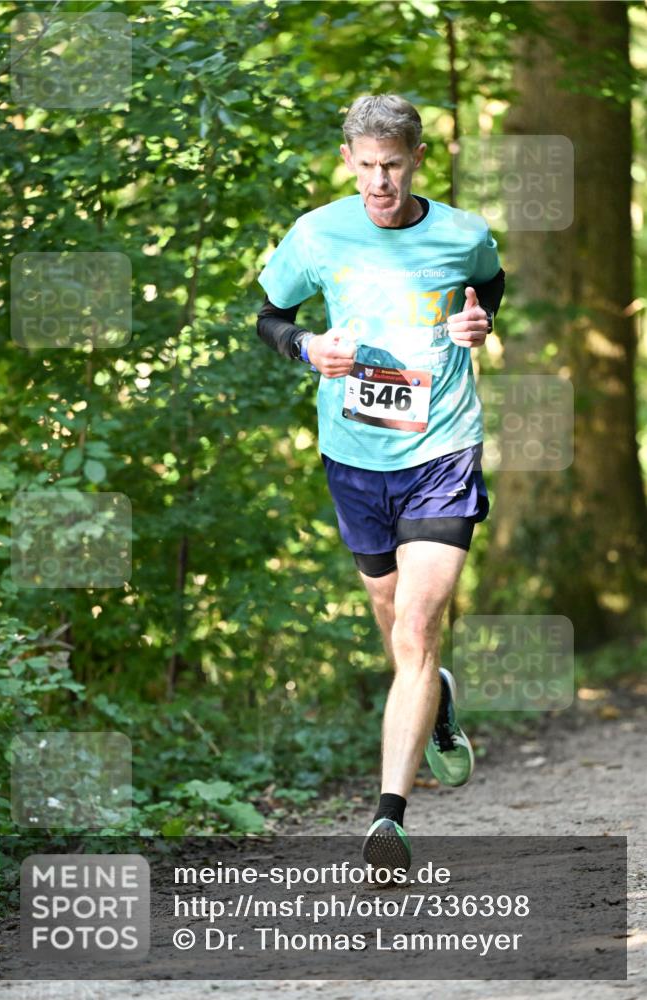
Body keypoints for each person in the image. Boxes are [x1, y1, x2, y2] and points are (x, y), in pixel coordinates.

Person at [256, 94, 505, 872]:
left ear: (416, 158)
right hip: (355, 459)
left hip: (442, 452)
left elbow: (487, 288)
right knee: (393, 623)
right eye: (365, 166)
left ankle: (388, 820)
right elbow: (269, 314)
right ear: (347, 160)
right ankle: (433, 699)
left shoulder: (462, 232)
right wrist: (304, 348)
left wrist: (478, 324)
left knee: (416, 629)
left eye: (391, 165)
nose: (378, 182)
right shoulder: (316, 233)